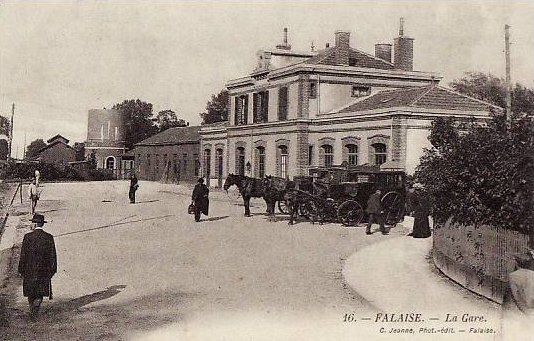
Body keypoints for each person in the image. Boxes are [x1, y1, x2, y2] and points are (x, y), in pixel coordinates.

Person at [18, 214, 57, 321]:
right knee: (40, 292)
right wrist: (52, 271)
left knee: (31, 292)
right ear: (42, 224)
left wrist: (20, 270)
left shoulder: (27, 237)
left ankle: (32, 310)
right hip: (43, 271)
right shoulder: (49, 237)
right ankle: (35, 309)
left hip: (29, 270)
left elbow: (23, 255)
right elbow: (53, 256)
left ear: (34, 224)